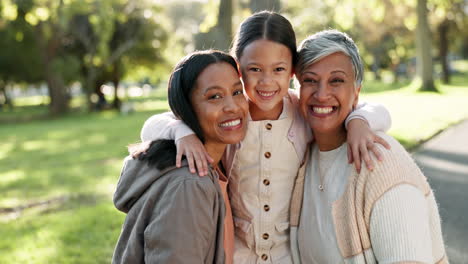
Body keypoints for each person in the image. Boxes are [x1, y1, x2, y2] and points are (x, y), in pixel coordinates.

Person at [140, 11, 391, 263]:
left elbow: (380, 112)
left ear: (293, 70)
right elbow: (151, 127)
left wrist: (359, 120)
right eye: (255, 69)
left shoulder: (302, 111)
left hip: (288, 255)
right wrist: (182, 133)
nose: (266, 81)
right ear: (238, 68)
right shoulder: (231, 119)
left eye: (278, 69)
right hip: (237, 254)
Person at [290, 29, 448, 263]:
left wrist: (360, 119)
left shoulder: (382, 164)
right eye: (310, 80)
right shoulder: (302, 154)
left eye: (336, 80)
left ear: (356, 93)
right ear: (297, 91)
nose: (322, 94)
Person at [112, 50, 249, 264]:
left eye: (237, 92)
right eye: (214, 96)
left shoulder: (216, 161)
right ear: (186, 109)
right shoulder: (189, 184)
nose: (232, 106)